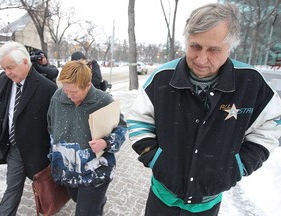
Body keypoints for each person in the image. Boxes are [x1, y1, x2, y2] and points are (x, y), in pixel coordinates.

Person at [127, 2, 281, 216]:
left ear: (230, 47)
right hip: (162, 197)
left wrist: (239, 165)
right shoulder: (162, 77)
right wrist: (155, 158)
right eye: (195, 46)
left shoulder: (251, 83)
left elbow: (271, 125)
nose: (201, 59)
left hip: (207, 204)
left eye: (214, 50)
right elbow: (137, 120)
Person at [47, 60, 127, 215]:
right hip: (67, 169)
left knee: (84, 211)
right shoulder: (58, 96)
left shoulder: (103, 100)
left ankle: (95, 203)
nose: (69, 96)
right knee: (78, 199)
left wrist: (105, 142)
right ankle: (99, 202)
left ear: (88, 85)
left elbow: (122, 129)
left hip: (96, 171)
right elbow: (50, 124)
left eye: (74, 92)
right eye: (66, 90)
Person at [0, 41, 57, 215]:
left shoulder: (47, 88)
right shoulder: (5, 79)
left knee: (47, 192)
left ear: (25, 62)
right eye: (4, 68)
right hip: (14, 148)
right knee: (12, 189)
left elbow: (54, 124)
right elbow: (3, 108)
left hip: (37, 151)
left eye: (10, 67)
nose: (7, 72)